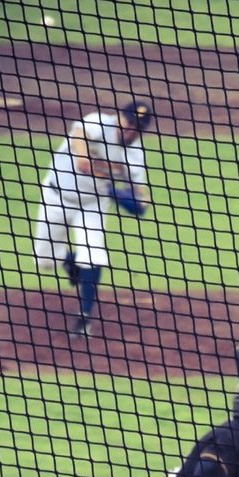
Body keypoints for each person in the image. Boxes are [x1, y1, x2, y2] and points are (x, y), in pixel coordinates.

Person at [32, 99, 154, 337]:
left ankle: (84, 316)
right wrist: (83, 155)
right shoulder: (99, 122)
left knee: (93, 255)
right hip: (56, 196)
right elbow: (79, 134)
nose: (131, 131)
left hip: (92, 205)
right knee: (45, 261)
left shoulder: (135, 155)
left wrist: (124, 196)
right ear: (120, 117)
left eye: (138, 128)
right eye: (129, 124)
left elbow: (142, 198)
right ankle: (71, 264)